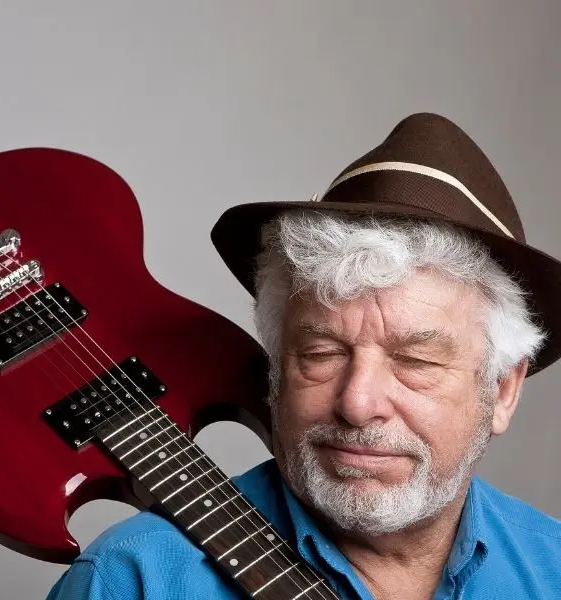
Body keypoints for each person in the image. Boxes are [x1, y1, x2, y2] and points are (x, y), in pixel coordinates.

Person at [46, 113, 561, 599]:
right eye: (321, 353)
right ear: (276, 368)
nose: (357, 404)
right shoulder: (133, 581)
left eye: (415, 362)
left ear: (503, 389)